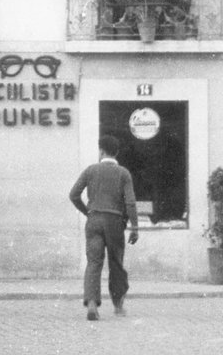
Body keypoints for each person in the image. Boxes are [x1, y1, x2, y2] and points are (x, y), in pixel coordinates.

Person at [69, 135, 139, 321]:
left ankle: (92, 304)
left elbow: (74, 195)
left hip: (93, 221)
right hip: (114, 222)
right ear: (116, 152)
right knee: (116, 263)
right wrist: (135, 227)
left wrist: (88, 212)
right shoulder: (123, 173)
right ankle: (118, 306)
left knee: (94, 262)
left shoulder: (90, 170)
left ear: (101, 151)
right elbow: (130, 203)